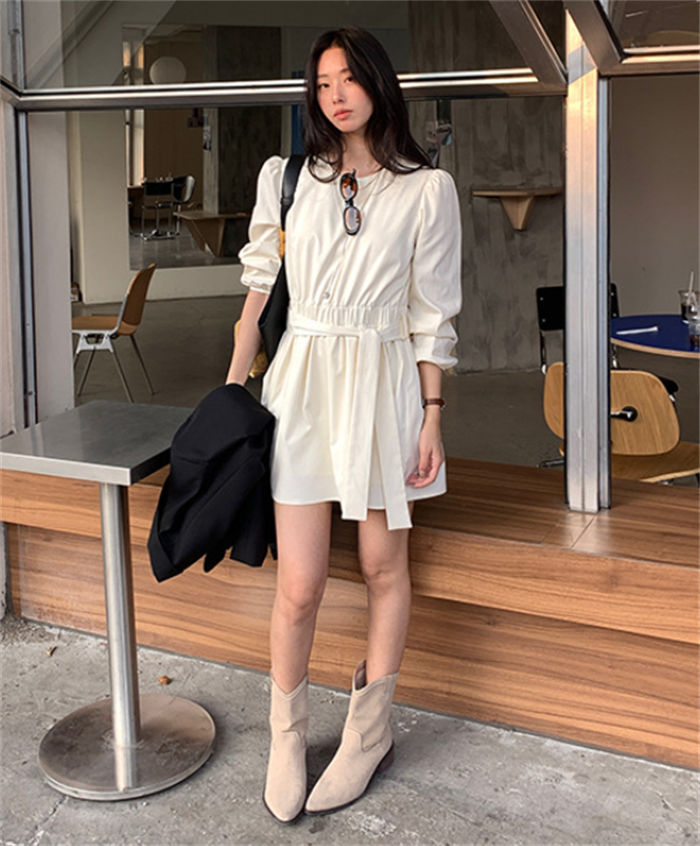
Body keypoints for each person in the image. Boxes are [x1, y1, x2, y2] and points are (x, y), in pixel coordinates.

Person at [225, 27, 462, 823]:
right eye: (323, 82)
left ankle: (368, 732)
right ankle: (286, 735)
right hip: (301, 383)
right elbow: (258, 291)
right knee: (299, 583)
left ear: (377, 83)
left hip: (386, 381)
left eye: (350, 78)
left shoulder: (427, 190)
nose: (336, 95)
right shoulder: (288, 177)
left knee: (382, 565)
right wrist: (231, 393)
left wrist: (432, 416)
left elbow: (431, 317)